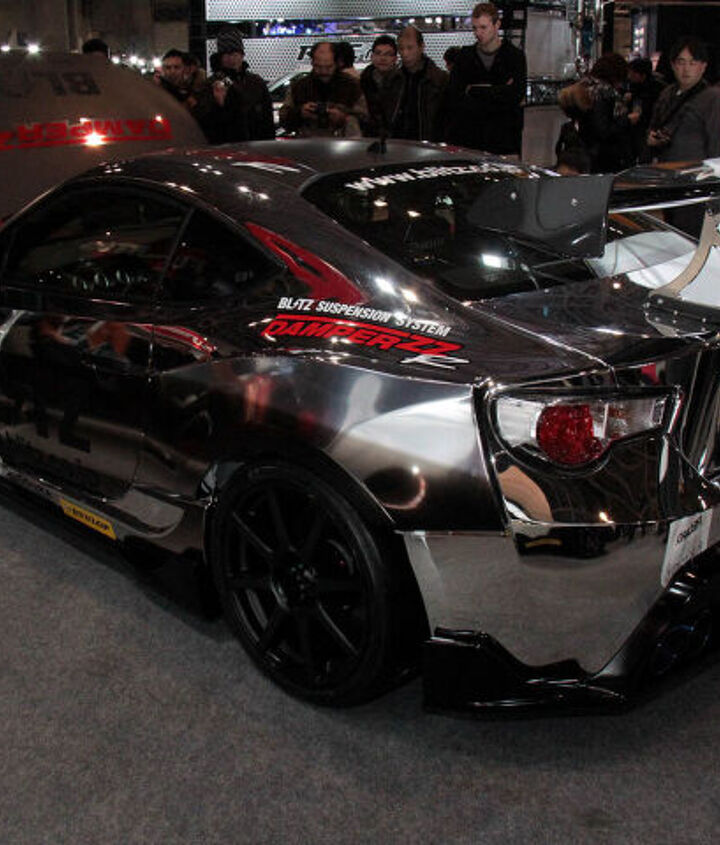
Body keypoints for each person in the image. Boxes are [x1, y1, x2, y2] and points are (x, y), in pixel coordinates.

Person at [648, 36, 720, 236]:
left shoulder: (712, 98)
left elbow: (716, 143)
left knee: (690, 233)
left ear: (703, 67)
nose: (686, 69)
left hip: (696, 182)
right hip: (668, 178)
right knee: (673, 232)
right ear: (672, 65)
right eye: (681, 62)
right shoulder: (667, 93)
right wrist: (652, 140)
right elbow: (654, 125)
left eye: (693, 63)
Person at [445, 2, 527, 155]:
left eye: (483, 27)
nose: (478, 33)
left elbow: (516, 95)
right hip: (471, 140)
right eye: (475, 28)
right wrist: (500, 90)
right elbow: (455, 97)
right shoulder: (465, 57)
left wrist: (475, 91)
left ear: (497, 25)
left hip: (505, 141)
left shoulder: (514, 56)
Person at [557, 53, 638, 173]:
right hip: (604, 158)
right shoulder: (605, 92)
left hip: (581, 153)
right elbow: (604, 130)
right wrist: (627, 120)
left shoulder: (583, 87)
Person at [194, 27, 275, 143]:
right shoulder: (211, 84)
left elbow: (267, 119)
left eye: (234, 53)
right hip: (226, 146)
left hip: (255, 145)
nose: (231, 59)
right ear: (220, 57)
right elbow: (204, 120)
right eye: (226, 54)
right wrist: (219, 104)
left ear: (242, 55)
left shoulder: (256, 82)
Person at [279, 41, 367, 137]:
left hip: (344, 141)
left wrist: (344, 117)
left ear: (337, 63)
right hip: (309, 141)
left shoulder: (352, 86)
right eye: (318, 67)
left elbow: (366, 118)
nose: (323, 71)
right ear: (312, 63)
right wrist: (300, 113)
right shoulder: (299, 87)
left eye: (328, 67)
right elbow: (283, 119)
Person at [393, 26, 448, 141]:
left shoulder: (439, 79)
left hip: (428, 143)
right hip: (399, 143)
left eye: (410, 48)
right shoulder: (394, 79)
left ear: (421, 47)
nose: (405, 53)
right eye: (401, 48)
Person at [360, 35, 402, 138]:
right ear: (372, 57)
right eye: (378, 53)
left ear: (395, 59)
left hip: (398, 137)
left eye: (388, 54)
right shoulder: (363, 81)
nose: (382, 58)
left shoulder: (404, 82)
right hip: (369, 137)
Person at [627, 57, 666, 162]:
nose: (629, 76)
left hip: (648, 126)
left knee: (645, 155)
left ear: (641, 75)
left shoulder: (656, 88)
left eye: (632, 73)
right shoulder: (633, 86)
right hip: (636, 126)